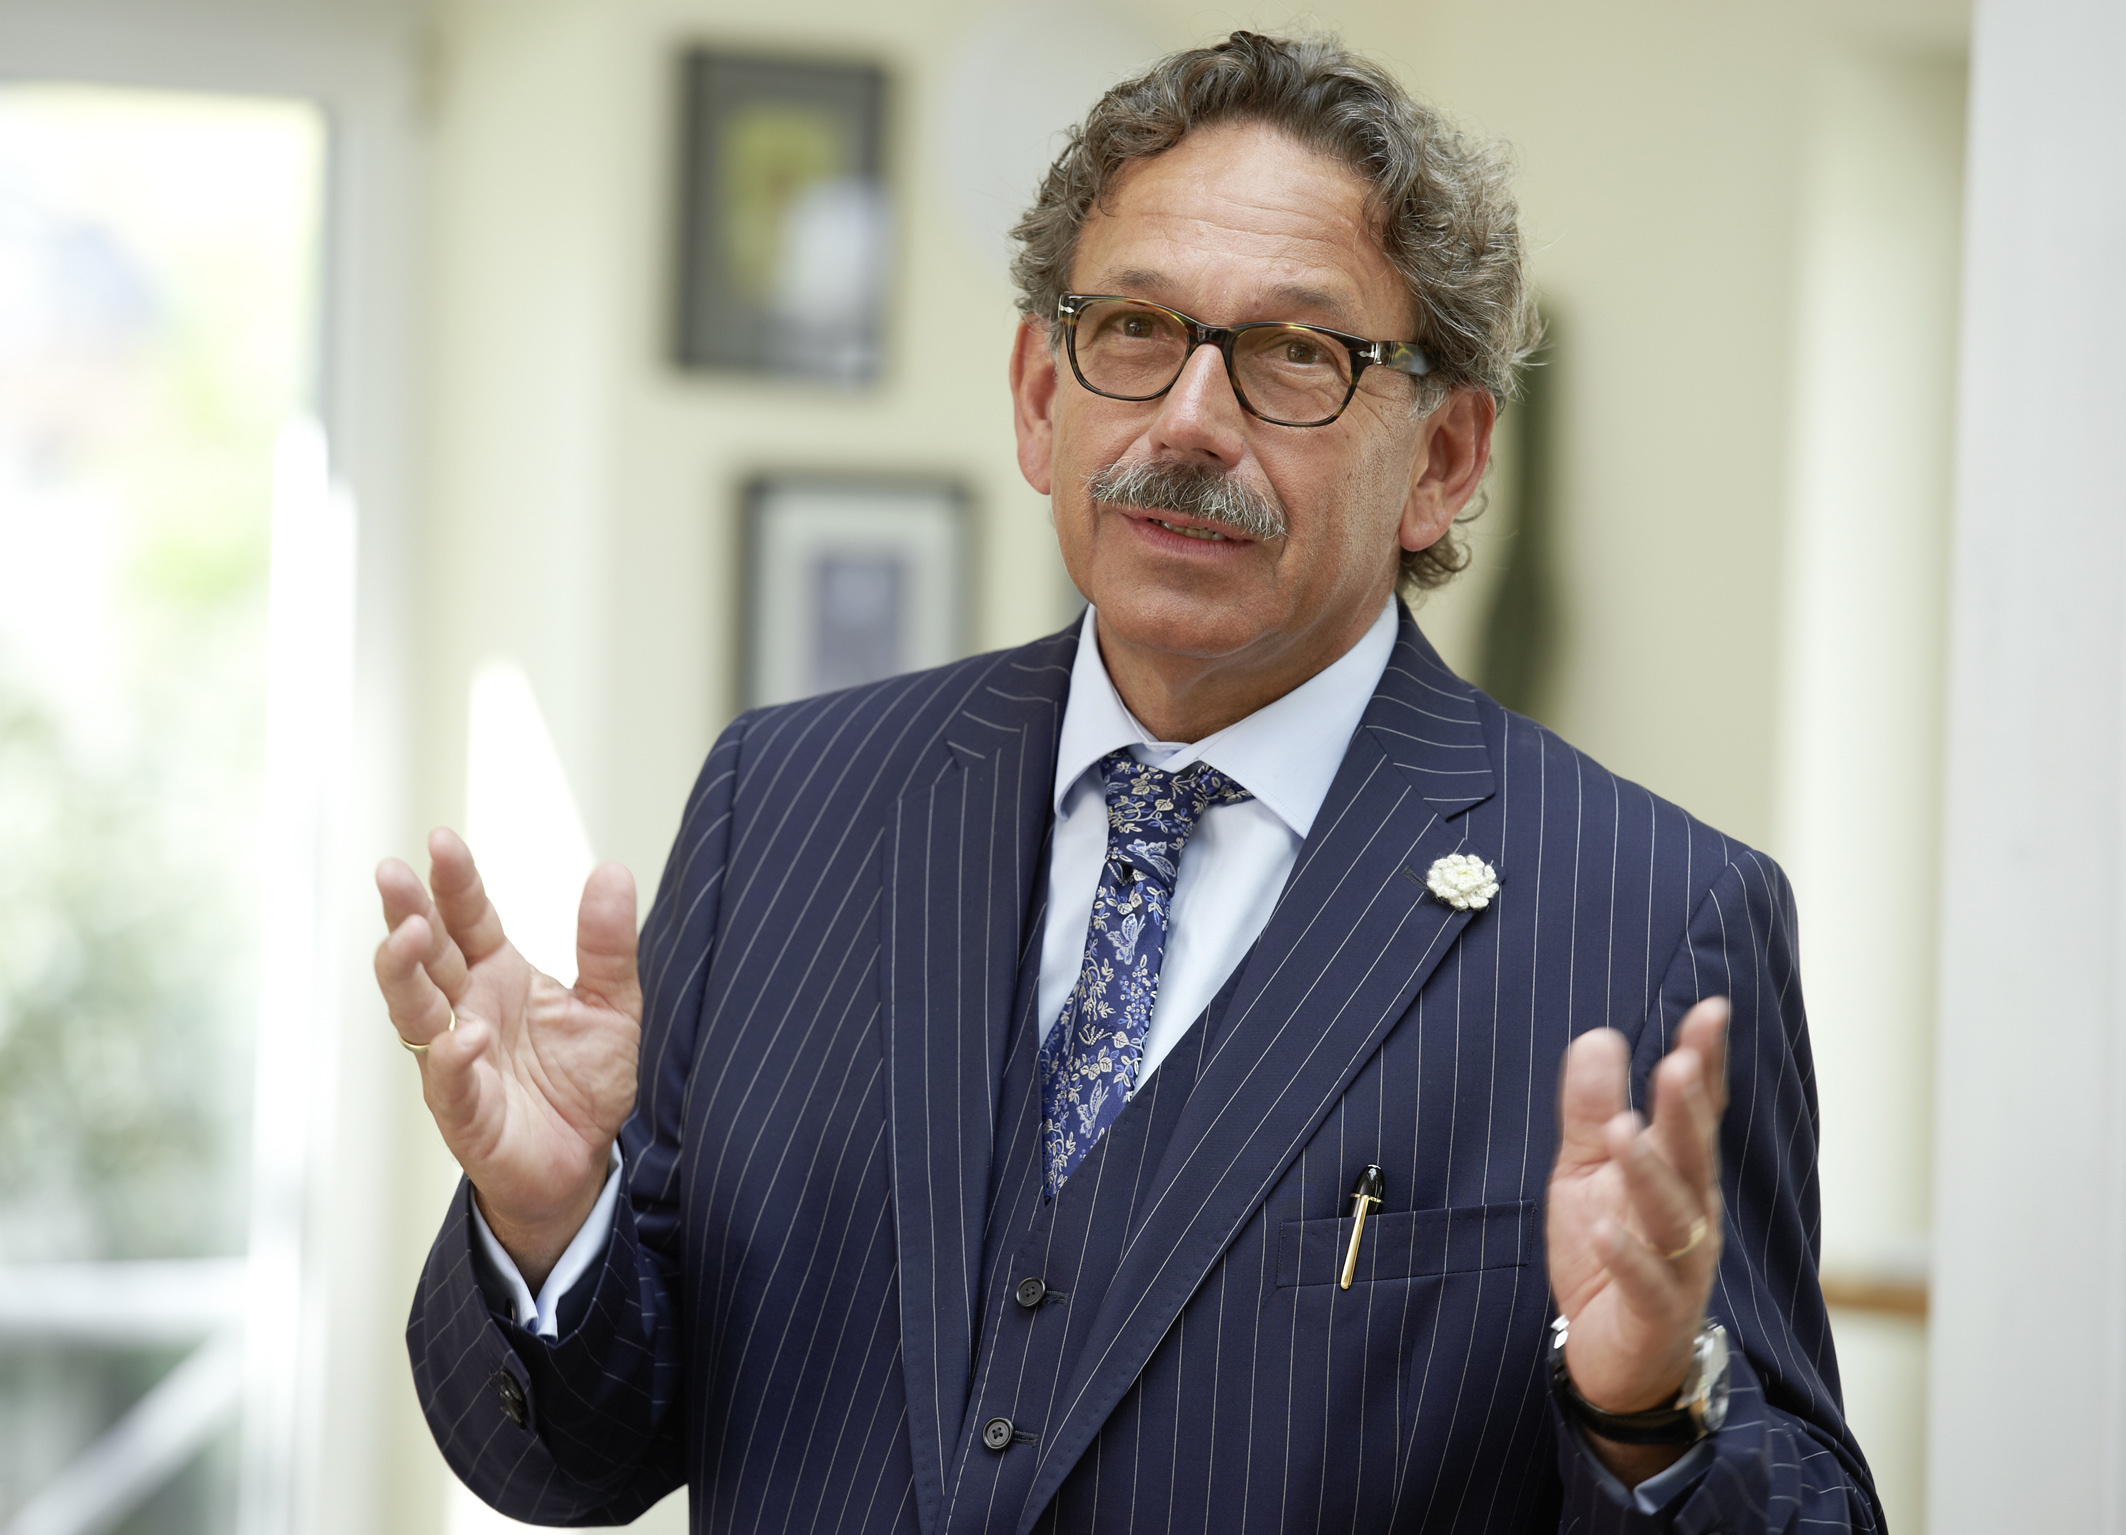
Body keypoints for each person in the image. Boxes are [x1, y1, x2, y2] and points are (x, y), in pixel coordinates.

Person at [378, 32, 1878, 1534]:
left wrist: (1646, 1412)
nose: (1189, 418)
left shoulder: (1652, 917)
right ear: (1041, 396)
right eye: (1136, 330)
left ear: (1444, 456)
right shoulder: (787, 803)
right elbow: (579, 1454)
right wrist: (550, 1220)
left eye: (1297, 353)